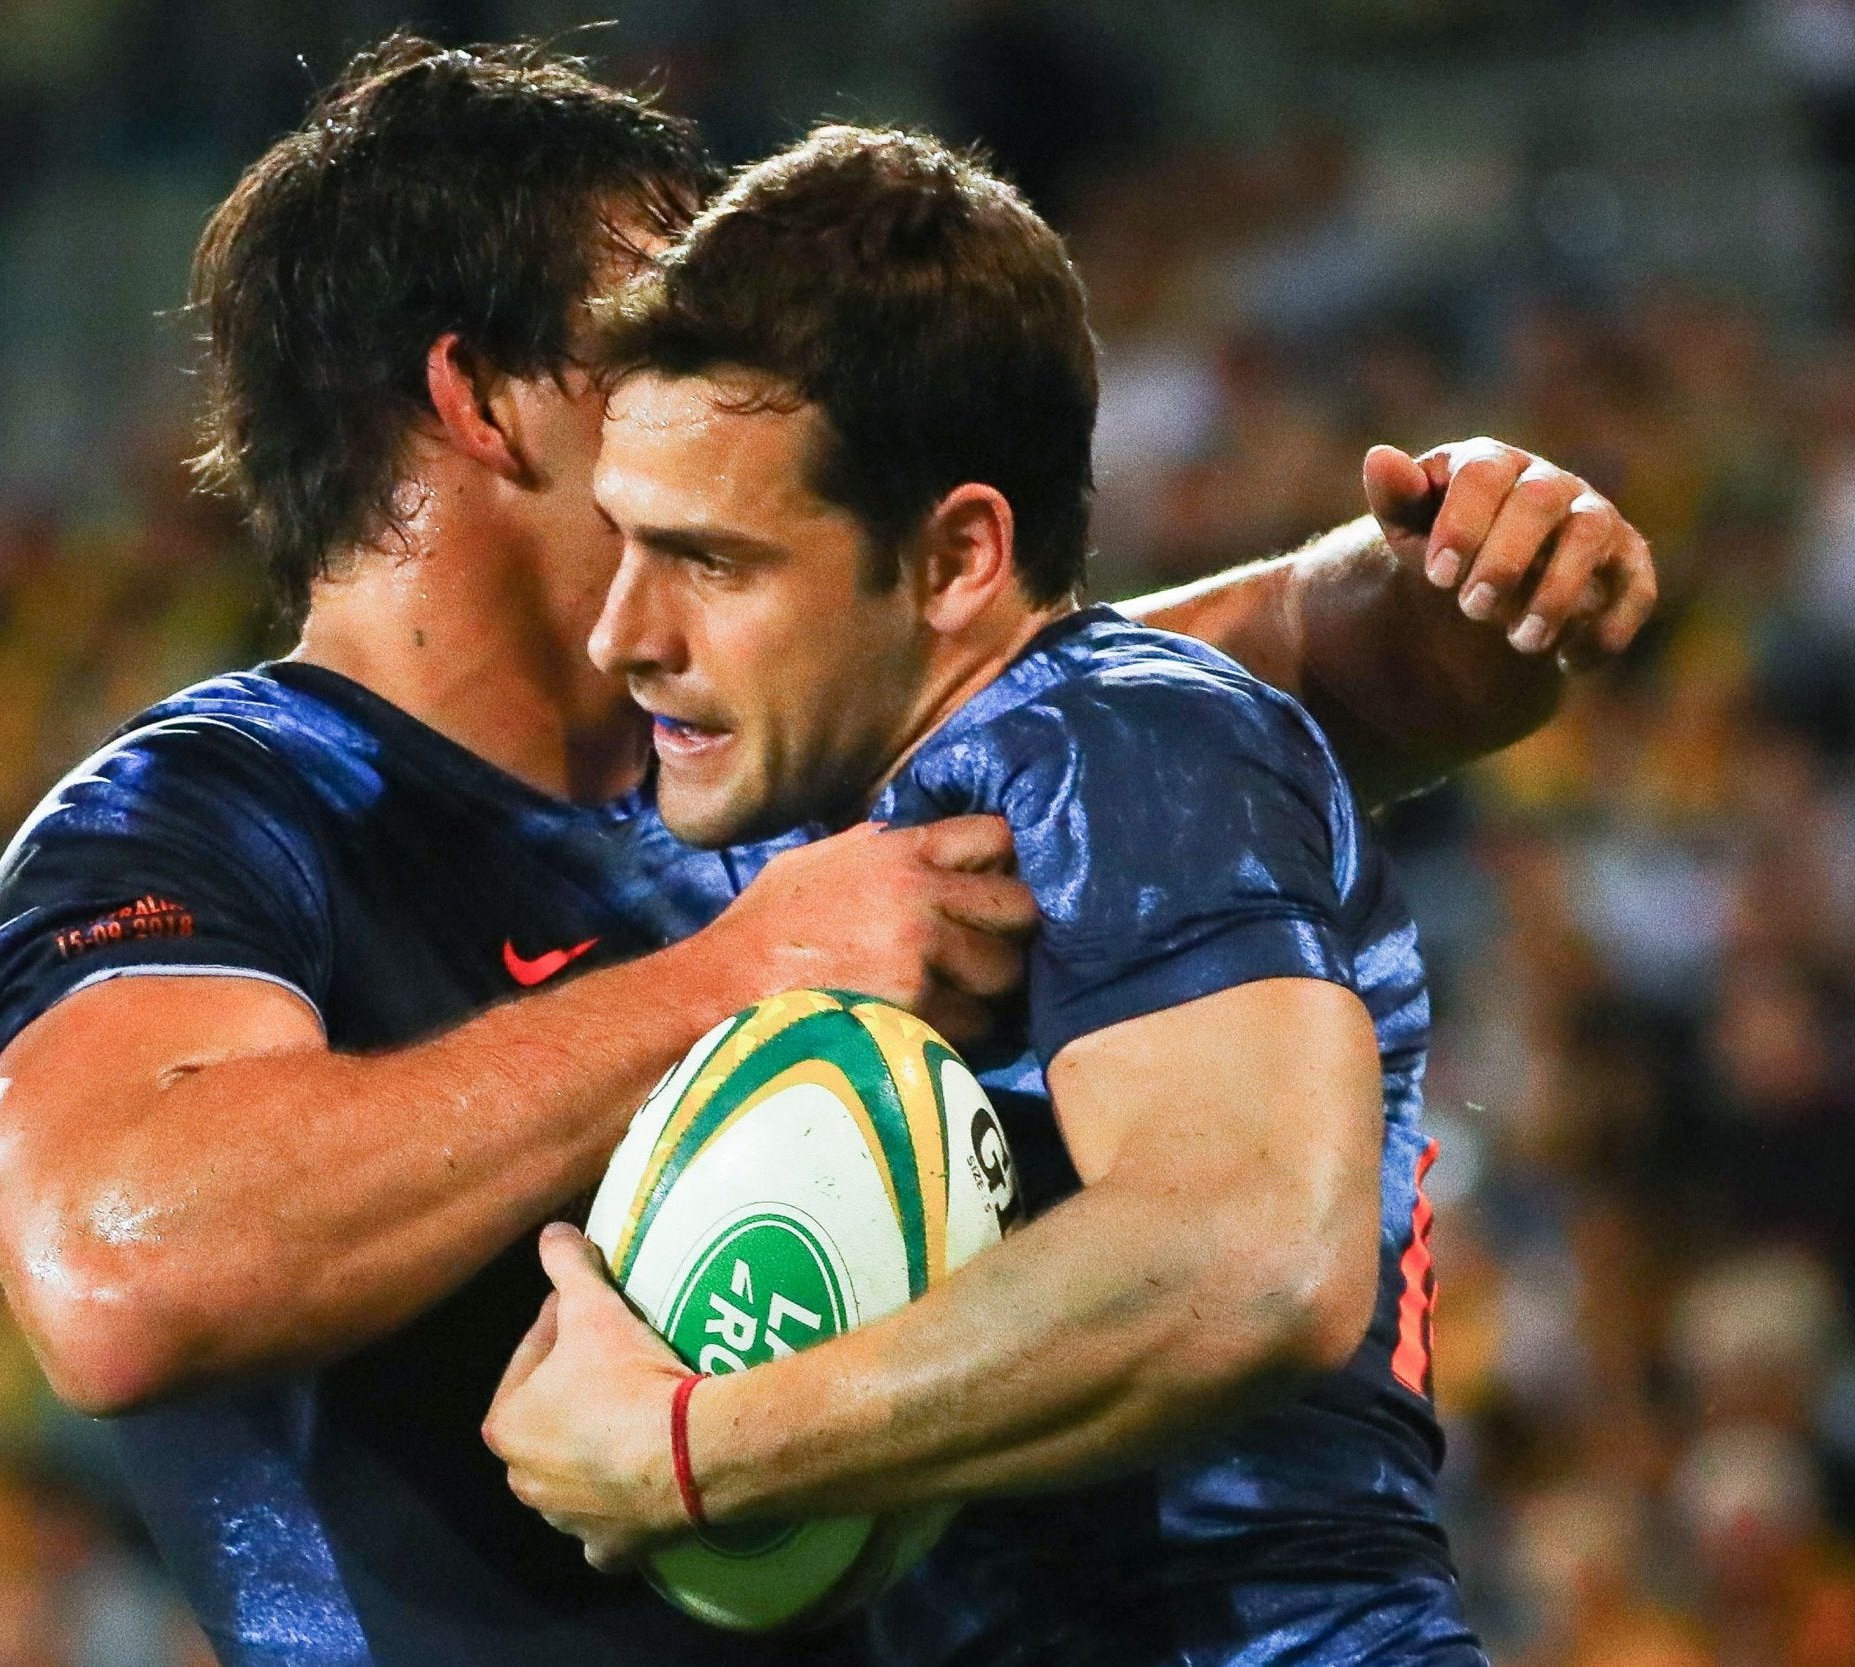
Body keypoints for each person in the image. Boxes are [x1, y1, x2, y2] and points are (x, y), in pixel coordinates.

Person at [0, 39, 1652, 1667]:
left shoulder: (777, 758)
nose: (717, 361)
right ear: (478, 397)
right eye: (646, 321)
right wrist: (732, 980)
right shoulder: (205, 812)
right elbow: (122, 1270)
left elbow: (1151, 686)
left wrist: (1467, 565)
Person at [477, 125, 1614, 1663]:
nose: (626, 630)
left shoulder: (1117, 737)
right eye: (622, 543)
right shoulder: (801, 823)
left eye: (711, 561)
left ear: (955, 558)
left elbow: (1247, 1261)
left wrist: (692, 1448)